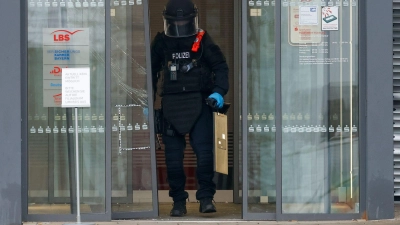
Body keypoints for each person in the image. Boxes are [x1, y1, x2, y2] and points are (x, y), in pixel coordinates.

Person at [150, 0, 229, 217]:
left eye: (185, 20)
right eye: (177, 20)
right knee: (173, 159)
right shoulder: (161, 42)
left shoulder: (202, 40)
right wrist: (146, 101)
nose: (181, 24)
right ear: (167, 20)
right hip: (171, 105)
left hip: (200, 102)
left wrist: (219, 91)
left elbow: (220, 66)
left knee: (205, 154)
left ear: (193, 19)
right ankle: (178, 201)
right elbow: (149, 71)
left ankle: (205, 198)